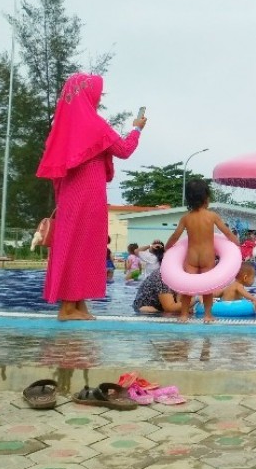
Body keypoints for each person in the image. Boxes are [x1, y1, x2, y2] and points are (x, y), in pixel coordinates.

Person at [36, 73, 145, 321]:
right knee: (83, 246)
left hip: (70, 197)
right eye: (97, 94)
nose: (99, 98)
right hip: (89, 196)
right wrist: (137, 128)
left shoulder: (62, 130)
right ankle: (67, 308)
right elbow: (124, 150)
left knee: (74, 245)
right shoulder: (95, 126)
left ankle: (77, 304)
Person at [165, 179, 240, 323]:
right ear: (206, 197)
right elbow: (227, 232)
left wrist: (168, 247)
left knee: (187, 289)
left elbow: (175, 236)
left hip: (192, 258)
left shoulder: (186, 218)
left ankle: (184, 315)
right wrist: (237, 243)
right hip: (207, 257)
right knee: (208, 288)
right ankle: (207, 315)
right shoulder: (212, 216)